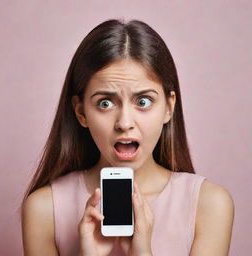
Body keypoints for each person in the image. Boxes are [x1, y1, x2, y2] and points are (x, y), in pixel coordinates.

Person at [21, 18, 234, 256]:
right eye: (105, 103)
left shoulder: (209, 205)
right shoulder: (43, 209)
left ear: (168, 107)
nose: (124, 123)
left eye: (143, 102)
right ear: (81, 112)